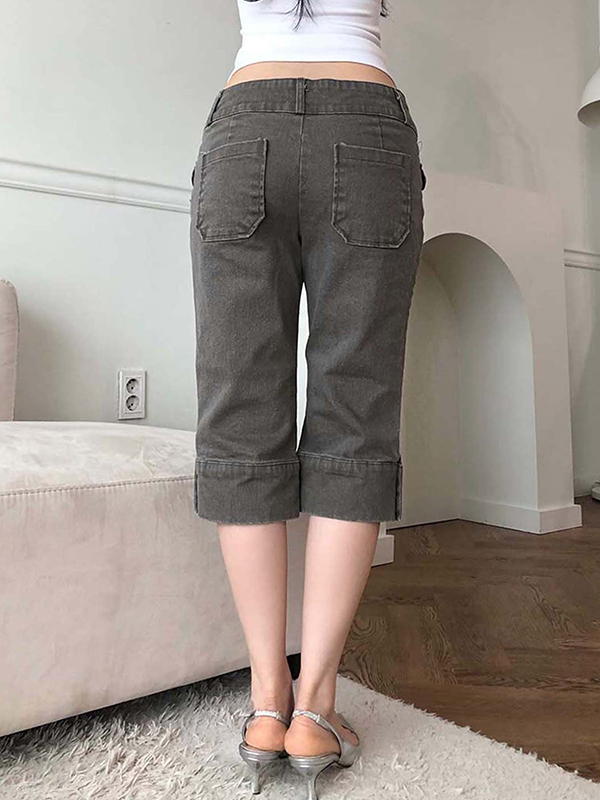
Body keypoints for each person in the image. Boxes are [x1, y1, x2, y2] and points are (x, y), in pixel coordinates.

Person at [189, 1, 426, 796]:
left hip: (244, 124)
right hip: (368, 126)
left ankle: (267, 702)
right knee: (355, 414)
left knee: (238, 413)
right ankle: (315, 708)